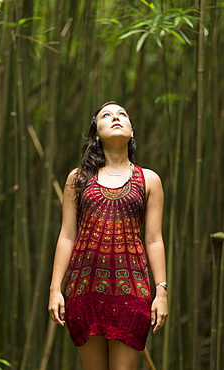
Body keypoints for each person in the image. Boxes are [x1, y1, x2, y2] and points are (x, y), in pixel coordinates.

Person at [48, 102, 168, 370]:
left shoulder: (149, 180)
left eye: (122, 114)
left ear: (132, 132)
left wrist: (161, 291)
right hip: (84, 289)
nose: (116, 118)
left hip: (132, 289)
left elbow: (153, 239)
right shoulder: (78, 179)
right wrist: (55, 288)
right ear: (96, 133)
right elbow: (67, 235)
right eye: (107, 115)